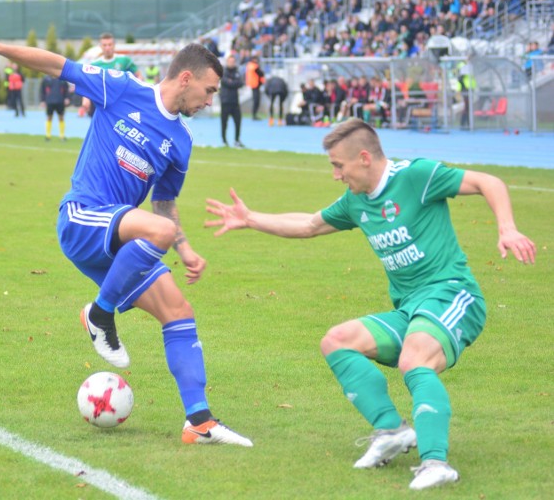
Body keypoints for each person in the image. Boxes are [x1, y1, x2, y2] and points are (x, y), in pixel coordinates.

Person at [0, 24, 253, 447]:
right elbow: (56, 66)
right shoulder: (121, 87)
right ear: (185, 78)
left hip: (123, 239)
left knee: (179, 310)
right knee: (159, 233)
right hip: (82, 217)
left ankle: (199, 422)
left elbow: (164, 206)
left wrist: (185, 248)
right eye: (208, 91)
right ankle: (100, 314)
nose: (210, 101)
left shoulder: (181, 142)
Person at [205, 119, 536, 488]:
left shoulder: (416, 176)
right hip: (411, 309)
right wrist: (251, 219)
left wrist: (507, 227)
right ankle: (392, 431)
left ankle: (436, 464)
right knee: (337, 341)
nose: (335, 174)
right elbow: (309, 225)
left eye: (338, 165)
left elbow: (488, 182)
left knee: (414, 359)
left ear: (363, 158)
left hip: (453, 294)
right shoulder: (357, 201)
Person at [79, 32, 142, 117]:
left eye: (110, 45)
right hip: (102, 105)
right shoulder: (95, 64)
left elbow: (138, 75)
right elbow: (88, 84)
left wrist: (136, 90)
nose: (107, 48)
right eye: (104, 45)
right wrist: (85, 100)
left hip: (122, 104)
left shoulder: (124, 60)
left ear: (114, 45)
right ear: (100, 46)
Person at [219, 54, 245, 147]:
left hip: (235, 101)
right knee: (224, 122)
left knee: (238, 122)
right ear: (227, 62)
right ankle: (224, 140)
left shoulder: (237, 72)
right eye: (230, 61)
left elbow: (241, 83)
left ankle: (237, 140)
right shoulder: (223, 72)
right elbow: (227, 82)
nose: (232, 63)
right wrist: (234, 82)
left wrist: (233, 82)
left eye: (233, 61)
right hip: (225, 101)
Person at [40, 73, 69, 141]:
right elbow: (42, 90)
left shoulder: (62, 78)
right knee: (49, 117)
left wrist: (67, 98)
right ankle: (48, 136)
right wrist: (42, 100)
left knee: (61, 117)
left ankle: (62, 136)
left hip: (60, 101)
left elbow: (66, 89)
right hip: (49, 101)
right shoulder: (46, 79)